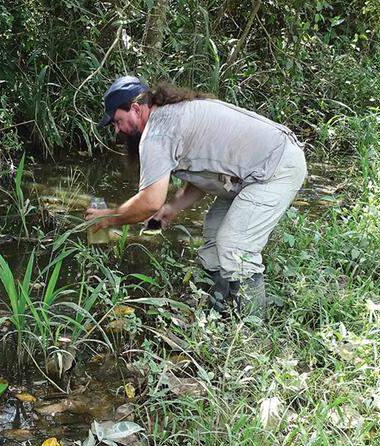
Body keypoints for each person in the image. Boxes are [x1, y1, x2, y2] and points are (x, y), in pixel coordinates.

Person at [86, 75, 307, 315]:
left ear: (136, 109)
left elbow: (149, 202)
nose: (118, 130)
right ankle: (215, 313)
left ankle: (251, 334)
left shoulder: (158, 132)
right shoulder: (171, 115)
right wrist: (173, 207)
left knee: (235, 245)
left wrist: (109, 217)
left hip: (275, 167)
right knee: (213, 235)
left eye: (118, 121)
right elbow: (205, 172)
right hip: (253, 170)